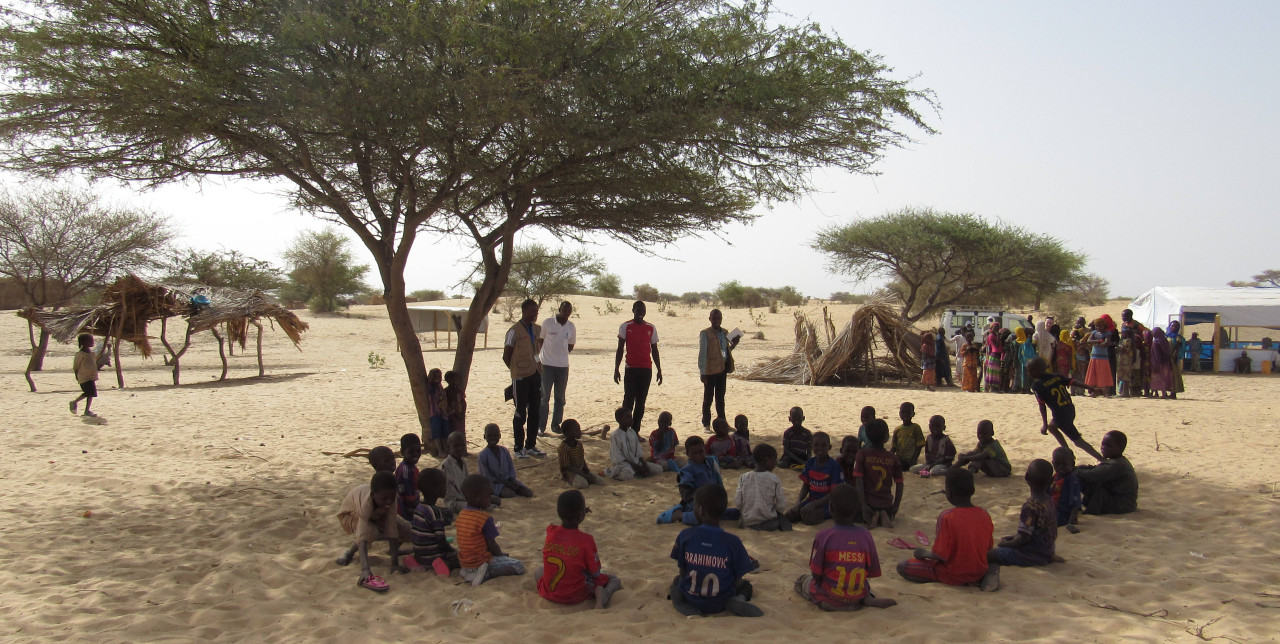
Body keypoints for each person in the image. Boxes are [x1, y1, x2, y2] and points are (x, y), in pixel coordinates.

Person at [795, 484, 897, 611]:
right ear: (857, 509)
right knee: (862, 583)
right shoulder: (866, 536)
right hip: (856, 594)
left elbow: (816, 574)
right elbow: (872, 571)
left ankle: (828, 602)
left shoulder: (823, 536)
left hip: (830, 594)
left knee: (802, 580)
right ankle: (866, 598)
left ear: (830, 508)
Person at [669, 484, 762, 617]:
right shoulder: (733, 541)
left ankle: (680, 601)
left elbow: (683, 571)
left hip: (692, 597)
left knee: (677, 582)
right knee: (746, 586)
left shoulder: (685, 535)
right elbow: (737, 581)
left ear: (700, 509)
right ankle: (738, 599)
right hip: (721, 600)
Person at [897, 468, 994, 589]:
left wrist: (923, 553)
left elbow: (940, 555)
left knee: (902, 566)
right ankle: (989, 574)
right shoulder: (984, 514)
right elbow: (988, 548)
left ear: (948, 492)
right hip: (979, 572)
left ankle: (947, 580)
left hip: (952, 573)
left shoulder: (947, 517)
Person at [536, 490, 623, 609]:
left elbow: (566, 521)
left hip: (551, 593)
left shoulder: (550, 531)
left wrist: (579, 513)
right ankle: (603, 597)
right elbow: (595, 572)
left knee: (538, 571)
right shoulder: (586, 540)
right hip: (576, 595)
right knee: (614, 580)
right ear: (581, 515)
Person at [984, 460, 1059, 590]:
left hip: (1032, 554)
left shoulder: (1030, 506)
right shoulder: (1049, 500)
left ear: (1026, 477)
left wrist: (1007, 544)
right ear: (1051, 480)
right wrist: (1014, 537)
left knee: (989, 555)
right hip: (1048, 550)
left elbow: (1024, 538)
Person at [336, 471, 410, 592]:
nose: (388, 502)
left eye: (391, 498)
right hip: (351, 514)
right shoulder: (366, 503)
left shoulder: (390, 500)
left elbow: (392, 528)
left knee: (407, 529)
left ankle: (393, 551)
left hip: (377, 514)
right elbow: (363, 533)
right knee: (371, 532)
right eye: (384, 498)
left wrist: (394, 563)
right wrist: (365, 569)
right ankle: (349, 552)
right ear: (373, 495)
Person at [1027, 357, 1106, 462]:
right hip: (1070, 409)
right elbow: (1073, 382)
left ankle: (1102, 460)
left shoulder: (1037, 385)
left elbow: (1042, 406)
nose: (1028, 373)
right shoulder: (1056, 376)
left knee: (1078, 441)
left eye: (1029, 371)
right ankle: (1067, 451)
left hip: (1060, 415)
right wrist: (1091, 388)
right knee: (1052, 427)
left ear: (1035, 371)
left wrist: (1044, 424)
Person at [456, 474, 526, 586]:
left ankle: (471, 572)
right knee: (518, 566)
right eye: (488, 496)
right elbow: (491, 544)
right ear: (476, 497)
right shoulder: (484, 518)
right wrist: (500, 555)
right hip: (481, 563)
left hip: (465, 563)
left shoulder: (462, 515)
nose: (490, 499)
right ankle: (488, 573)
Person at [658, 436, 741, 525]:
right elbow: (686, 495)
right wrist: (704, 495)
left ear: (705, 450)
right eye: (693, 453)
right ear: (687, 454)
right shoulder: (687, 471)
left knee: (735, 513)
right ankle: (680, 515)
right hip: (696, 504)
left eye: (701, 452)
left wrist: (720, 499)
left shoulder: (712, 462)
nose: (698, 455)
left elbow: (719, 482)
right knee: (703, 519)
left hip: (713, 501)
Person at [504, 299, 544, 458]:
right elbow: (506, 355)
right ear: (524, 311)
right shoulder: (514, 331)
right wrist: (516, 370)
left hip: (536, 374)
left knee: (535, 411)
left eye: (536, 311)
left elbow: (540, 348)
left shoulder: (538, 329)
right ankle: (518, 447)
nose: (535, 314)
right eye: (532, 311)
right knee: (520, 412)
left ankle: (531, 445)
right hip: (520, 377)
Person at [615, 301, 662, 432]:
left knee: (641, 402)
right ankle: (624, 430)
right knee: (628, 401)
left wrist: (659, 369)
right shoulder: (625, 326)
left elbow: (655, 350)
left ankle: (635, 431)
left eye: (643, 310)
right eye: (638, 310)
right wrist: (616, 369)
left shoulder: (651, 328)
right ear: (633, 310)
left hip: (646, 369)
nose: (641, 313)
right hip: (631, 368)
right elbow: (620, 349)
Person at [852, 419, 903, 528]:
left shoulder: (862, 454)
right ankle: (883, 514)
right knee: (886, 511)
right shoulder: (893, 458)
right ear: (886, 437)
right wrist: (896, 505)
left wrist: (863, 505)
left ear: (867, 436)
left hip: (868, 502)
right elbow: (899, 483)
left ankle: (874, 517)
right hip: (887, 503)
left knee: (856, 515)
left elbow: (859, 481)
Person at [536, 301, 576, 437]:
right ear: (559, 309)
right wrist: (539, 359)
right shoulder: (548, 323)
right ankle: (540, 426)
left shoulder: (571, 326)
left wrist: (562, 355)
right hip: (546, 365)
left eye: (569, 311)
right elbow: (540, 341)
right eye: (564, 310)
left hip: (563, 367)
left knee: (560, 398)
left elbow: (571, 345)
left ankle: (556, 425)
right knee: (544, 397)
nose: (566, 313)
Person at [1075, 431, 1138, 515]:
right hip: (1120, 500)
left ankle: (1087, 510)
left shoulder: (1117, 465)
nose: (1103, 448)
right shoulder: (1116, 461)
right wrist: (1079, 468)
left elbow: (1091, 475)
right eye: (1103, 444)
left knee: (1086, 481)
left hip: (1123, 504)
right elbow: (1096, 469)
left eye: (1108, 446)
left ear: (1120, 448)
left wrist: (1073, 470)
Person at [785, 432, 842, 525]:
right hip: (811, 500)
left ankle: (825, 515)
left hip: (827, 503)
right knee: (790, 515)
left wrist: (814, 504)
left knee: (808, 518)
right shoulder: (810, 463)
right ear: (811, 447)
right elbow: (806, 485)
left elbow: (834, 493)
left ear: (829, 447)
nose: (819, 448)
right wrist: (798, 501)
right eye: (816, 445)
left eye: (823, 445)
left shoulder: (834, 466)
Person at [410, 468, 459, 573]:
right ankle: (446, 565)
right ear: (434, 489)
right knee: (461, 559)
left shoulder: (419, 507)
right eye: (444, 485)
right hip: (433, 556)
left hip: (420, 555)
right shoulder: (435, 512)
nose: (446, 488)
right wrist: (452, 550)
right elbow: (441, 541)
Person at [698, 308, 740, 431]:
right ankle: (706, 424)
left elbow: (724, 352)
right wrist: (702, 372)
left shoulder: (724, 333)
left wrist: (733, 345)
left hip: (722, 370)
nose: (716, 320)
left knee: (720, 399)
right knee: (708, 399)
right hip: (710, 371)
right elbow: (703, 354)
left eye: (719, 318)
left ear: (721, 319)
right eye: (714, 318)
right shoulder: (705, 334)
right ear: (710, 319)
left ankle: (723, 423)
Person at [734, 444, 791, 531]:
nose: (775, 464)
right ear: (767, 460)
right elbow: (781, 505)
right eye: (774, 461)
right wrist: (775, 512)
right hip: (766, 519)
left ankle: (749, 525)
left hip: (747, 519)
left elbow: (738, 502)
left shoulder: (743, 477)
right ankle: (760, 526)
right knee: (780, 521)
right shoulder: (774, 479)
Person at [442, 432, 498, 514]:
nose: (460, 448)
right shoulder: (446, 465)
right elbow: (451, 493)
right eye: (455, 446)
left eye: (462, 445)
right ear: (448, 447)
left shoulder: (463, 462)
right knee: (478, 505)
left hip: (465, 497)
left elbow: (468, 484)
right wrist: (471, 499)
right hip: (453, 502)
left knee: (495, 499)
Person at [478, 423, 534, 498]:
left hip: (508, 480)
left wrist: (512, 480)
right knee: (510, 494)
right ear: (485, 437)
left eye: (495, 435)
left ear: (499, 436)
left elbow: (511, 468)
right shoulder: (483, 455)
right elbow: (487, 476)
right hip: (494, 483)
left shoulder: (504, 451)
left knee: (528, 493)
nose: (492, 438)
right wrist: (506, 483)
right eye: (489, 436)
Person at [605, 408, 663, 480]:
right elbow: (618, 457)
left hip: (636, 462)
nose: (631, 419)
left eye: (631, 417)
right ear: (619, 420)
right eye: (628, 418)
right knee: (627, 475)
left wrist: (644, 464)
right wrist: (636, 466)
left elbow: (638, 451)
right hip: (623, 465)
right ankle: (610, 472)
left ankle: (637, 473)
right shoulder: (615, 435)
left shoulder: (632, 432)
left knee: (658, 469)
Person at [558, 419, 604, 489]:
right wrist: (581, 474)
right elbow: (568, 466)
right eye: (577, 430)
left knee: (600, 481)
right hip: (570, 472)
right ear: (568, 433)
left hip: (581, 470)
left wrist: (586, 470)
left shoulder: (579, 444)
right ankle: (569, 481)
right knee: (583, 484)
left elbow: (582, 459)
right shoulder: (563, 448)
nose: (580, 432)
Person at [1050, 447, 1082, 534]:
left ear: (1072, 464)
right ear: (1053, 463)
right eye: (1057, 463)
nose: (1061, 467)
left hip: (1064, 515)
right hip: (1053, 510)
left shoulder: (1072, 480)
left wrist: (1071, 523)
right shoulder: (1056, 476)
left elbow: (1076, 502)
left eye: (1064, 464)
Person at [70, 333, 100, 417]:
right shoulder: (80, 354)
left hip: (91, 376)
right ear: (83, 342)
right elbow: (76, 366)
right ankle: (74, 402)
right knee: (88, 392)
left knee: (91, 394)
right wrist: (77, 376)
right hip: (84, 376)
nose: (92, 342)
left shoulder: (91, 353)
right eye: (90, 341)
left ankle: (87, 410)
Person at [890, 402, 926, 471]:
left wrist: (914, 460)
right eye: (903, 412)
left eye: (908, 412)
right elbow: (894, 447)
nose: (905, 414)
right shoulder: (897, 429)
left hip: (909, 460)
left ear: (913, 414)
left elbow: (919, 446)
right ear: (899, 413)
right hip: (899, 457)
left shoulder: (915, 427)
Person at [394, 433, 422, 520]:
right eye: (411, 452)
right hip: (407, 510)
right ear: (402, 452)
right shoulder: (407, 472)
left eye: (418, 450)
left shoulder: (411, 467)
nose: (416, 454)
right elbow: (409, 499)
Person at [1084, 317, 1115, 396]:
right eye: (1097, 326)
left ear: (1104, 326)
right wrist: (1098, 341)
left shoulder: (1107, 333)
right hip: (1094, 356)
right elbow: (1089, 341)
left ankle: (1106, 392)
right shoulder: (1094, 332)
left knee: (1104, 374)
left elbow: (1106, 343)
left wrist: (1097, 343)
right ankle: (1095, 391)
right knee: (1094, 374)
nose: (1098, 327)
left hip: (1103, 357)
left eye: (1100, 326)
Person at [423, 368, 449, 458]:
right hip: (435, 413)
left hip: (443, 413)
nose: (437, 378)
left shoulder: (439, 386)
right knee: (437, 434)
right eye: (435, 376)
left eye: (439, 376)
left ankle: (446, 450)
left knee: (445, 433)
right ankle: (440, 451)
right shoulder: (430, 387)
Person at [1148, 328, 1175, 398]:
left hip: (1157, 363)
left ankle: (1162, 393)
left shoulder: (1156, 342)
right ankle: (1163, 393)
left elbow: (1157, 354)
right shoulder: (1165, 341)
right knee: (1165, 378)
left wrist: (1157, 362)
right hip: (1166, 362)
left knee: (1158, 378)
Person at [444, 370, 467, 451]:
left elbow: (463, 402)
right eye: (452, 379)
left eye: (456, 379)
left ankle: (462, 449)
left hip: (459, 414)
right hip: (451, 415)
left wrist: (463, 412)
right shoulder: (446, 391)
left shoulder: (459, 391)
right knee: (453, 431)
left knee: (461, 430)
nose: (454, 381)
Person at [1115, 328, 1138, 397]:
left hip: (1126, 361)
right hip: (1125, 360)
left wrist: (1118, 348)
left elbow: (1124, 349)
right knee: (1124, 377)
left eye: (1124, 333)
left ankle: (1125, 392)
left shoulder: (1128, 340)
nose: (1123, 334)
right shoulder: (1127, 340)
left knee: (1125, 377)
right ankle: (1125, 392)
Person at [1166, 320, 1186, 395]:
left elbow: (1182, 349)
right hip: (1166, 359)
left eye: (1176, 326)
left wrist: (1177, 355)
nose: (1173, 327)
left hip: (1174, 360)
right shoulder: (1166, 337)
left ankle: (1173, 392)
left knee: (1174, 375)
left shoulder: (1179, 338)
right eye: (1172, 326)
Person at [983, 322, 1004, 393]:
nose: (997, 329)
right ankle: (993, 389)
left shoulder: (995, 335)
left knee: (995, 373)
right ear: (992, 328)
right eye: (995, 327)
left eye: (998, 327)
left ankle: (995, 388)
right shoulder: (991, 336)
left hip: (997, 355)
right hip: (994, 355)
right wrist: (998, 336)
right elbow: (996, 345)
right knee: (993, 373)